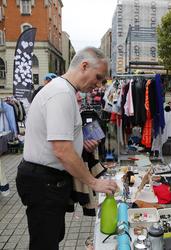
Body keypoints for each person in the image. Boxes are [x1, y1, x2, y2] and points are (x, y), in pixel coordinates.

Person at [16, 47, 118, 250]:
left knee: (51, 236)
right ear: (84, 66)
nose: (98, 84)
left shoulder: (64, 91)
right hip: (44, 181)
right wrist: (93, 182)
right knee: (45, 243)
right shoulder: (61, 93)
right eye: (98, 77)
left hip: (47, 180)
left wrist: (82, 145)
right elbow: (61, 150)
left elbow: (61, 140)